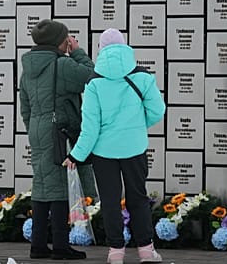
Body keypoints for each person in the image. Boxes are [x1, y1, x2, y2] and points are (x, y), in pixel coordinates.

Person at [64, 29, 166, 264]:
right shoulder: (142, 76)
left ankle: (116, 252)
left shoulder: (94, 82)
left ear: (101, 50)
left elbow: (90, 128)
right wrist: (137, 127)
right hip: (135, 148)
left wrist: (75, 156)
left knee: (110, 201)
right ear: (124, 47)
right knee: (138, 198)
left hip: (104, 153)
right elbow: (157, 111)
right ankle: (146, 251)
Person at [19, 19, 96, 260]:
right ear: (57, 41)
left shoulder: (28, 68)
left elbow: (25, 106)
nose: (68, 40)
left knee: (42, 186)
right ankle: (61, 246)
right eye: (66, 37)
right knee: (60, 188)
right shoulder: (61, 65)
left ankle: (38, 245)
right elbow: (91, 75)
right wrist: (78, 52)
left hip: (39, 130)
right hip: (59, 132)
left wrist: (34, 127)